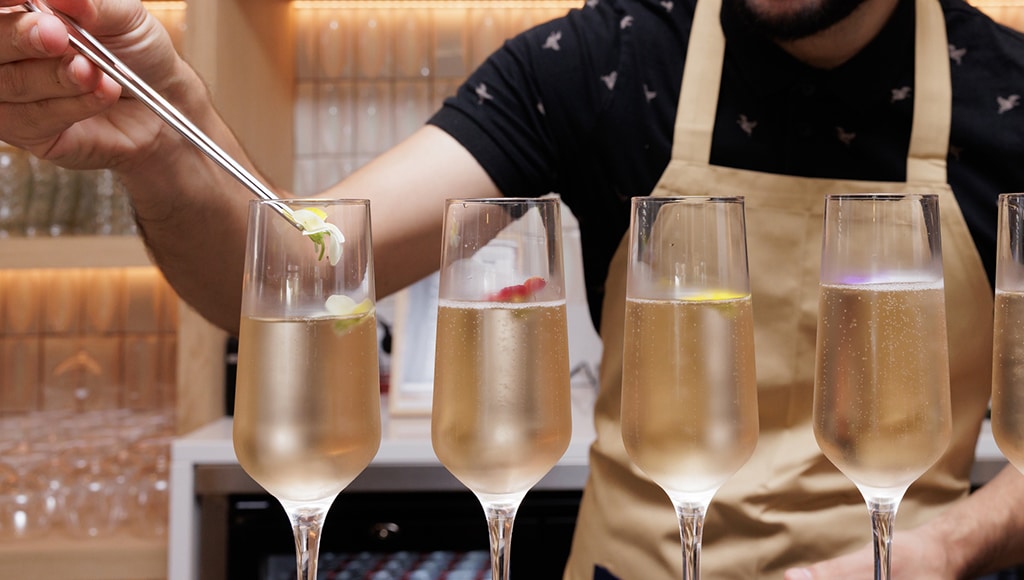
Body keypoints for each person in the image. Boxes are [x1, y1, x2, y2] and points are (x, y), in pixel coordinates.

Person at [1, 0, 1024, 576]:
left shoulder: (1007, 98)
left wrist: (946, 546)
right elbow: (291, 275)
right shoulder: (607, 62)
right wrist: (162, 137)